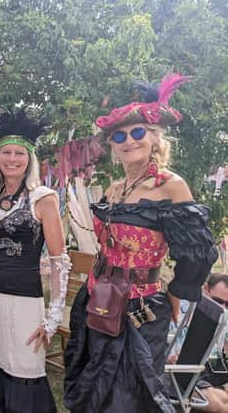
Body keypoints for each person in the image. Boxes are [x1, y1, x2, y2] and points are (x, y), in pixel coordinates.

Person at [63, 74, 218, 412]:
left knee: (130, 397)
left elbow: (199, 251)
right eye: (119, 135)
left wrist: (177, 290)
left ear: (154, 137)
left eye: (137, 133)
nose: (127, 141)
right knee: (95, 389)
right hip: (99, 299)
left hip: (139, 311)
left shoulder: (170, 186)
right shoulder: (114, 188)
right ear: (112, 143)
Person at [0, 110, 70, 413]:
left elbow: (58, 260)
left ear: (29, 158)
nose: (12, 159)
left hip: (26, 299)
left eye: (19, 153)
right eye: (6, 152)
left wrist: (53, 317)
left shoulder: (43, 197)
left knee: (26, 367)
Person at [167, 273, 228, 413]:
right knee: (216, 403)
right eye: (218, 301)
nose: (223, 308)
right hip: (178, 373)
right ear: (206, 289)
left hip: (206, 375)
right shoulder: (183, 308)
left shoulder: (224, 319)